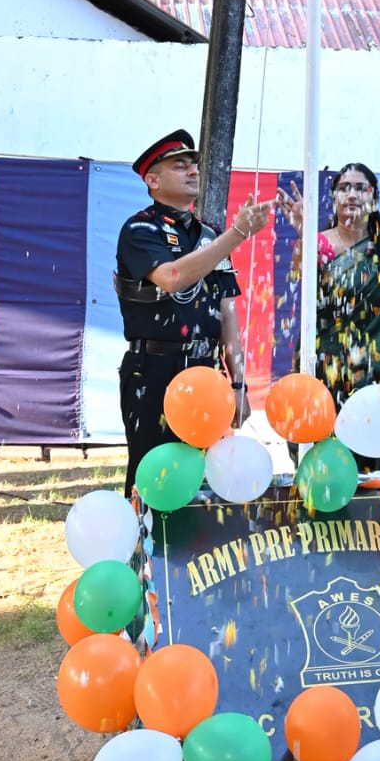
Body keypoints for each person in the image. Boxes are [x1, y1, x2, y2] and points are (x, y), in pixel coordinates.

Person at [115, 129, 272, 496]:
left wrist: (238, 383)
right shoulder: (140, 228)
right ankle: (143, 535)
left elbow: (227, 314)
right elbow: (171, 278)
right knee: (154, 478)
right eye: (179, 165)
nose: (193, 171)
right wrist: (237, 233)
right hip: (153, 369)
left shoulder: (210, 234)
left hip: (206, 370)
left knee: (207, 480)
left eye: (194, 165)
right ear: (153, 180)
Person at [277, 162, 380, 470]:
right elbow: (302, 282)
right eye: (344, 188)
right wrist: (304, 234)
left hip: (376, 368)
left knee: (374, 455)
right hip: (325, 363)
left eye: (360, 188)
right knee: (325, 456)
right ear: (334, 198)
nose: (352, 194)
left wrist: (374, 364)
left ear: (373, 198)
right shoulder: (318, 242)